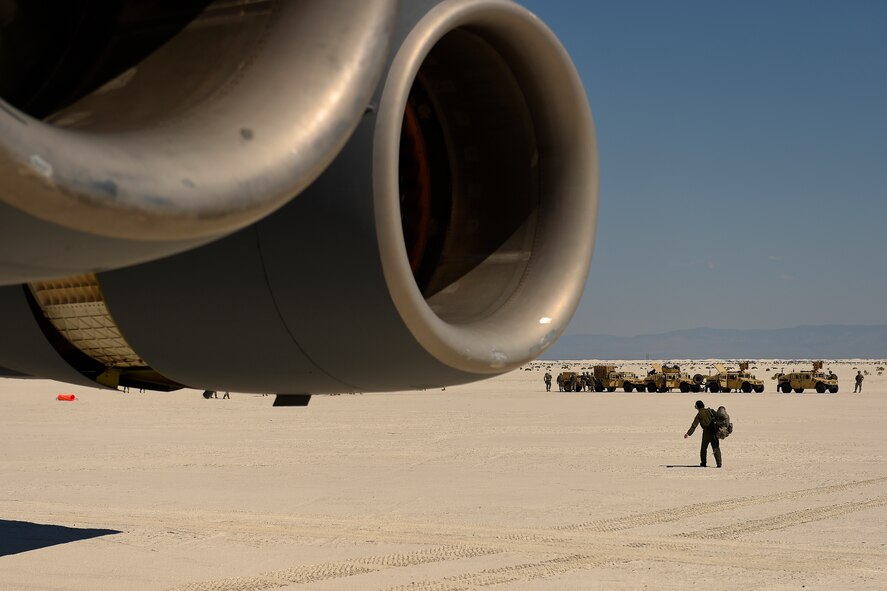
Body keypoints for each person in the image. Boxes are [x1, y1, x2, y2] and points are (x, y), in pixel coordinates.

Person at [684, 399, 721, 468]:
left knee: (703, 449)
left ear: (697, 406)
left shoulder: (699, 414)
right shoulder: (709, 411)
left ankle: (703, 463)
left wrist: (688, 434)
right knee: (716, 447)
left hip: (706, 433)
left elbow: (694, 426)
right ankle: (719, 464)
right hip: (714, 432)